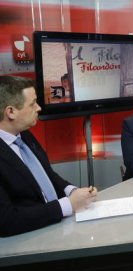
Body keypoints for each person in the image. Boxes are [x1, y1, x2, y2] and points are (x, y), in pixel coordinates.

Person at [0, 76, 97, 237]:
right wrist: (67, 205)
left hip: (58, 227)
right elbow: (6, 220)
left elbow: (46, 174)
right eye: (32, 104)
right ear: (11, 112)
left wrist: (72, 191)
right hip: (31, 240)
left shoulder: (24, 134)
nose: (39, 108)